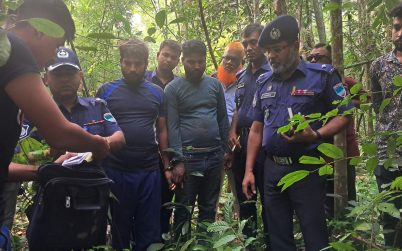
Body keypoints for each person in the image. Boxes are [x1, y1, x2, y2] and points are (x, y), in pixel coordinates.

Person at [242, 15, 353, 250]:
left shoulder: (322, 75)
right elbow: (256, 128)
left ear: (295, 45)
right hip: (271, 169)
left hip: (307, 168)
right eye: (268, 50)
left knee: (314, 234)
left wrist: (317, 134)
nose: (271, 56)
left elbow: (345, 113)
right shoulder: (263, 82)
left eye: (277, 49)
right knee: (278, 236)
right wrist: (249, 170)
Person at [0, 0, 110, 226]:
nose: (53, 57)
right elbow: (60, 133)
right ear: (39, 29)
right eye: (57, 45)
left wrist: (46, 170)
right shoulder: (15, 48)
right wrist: (98, 144)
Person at [96, 39, 169, 250]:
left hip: (148, 170)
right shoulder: (106, 91)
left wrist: (167, 164)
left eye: (138, 63)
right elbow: (98, 128)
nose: (133, 69)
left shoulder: (157, 93)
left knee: (149, 227)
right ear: (120, 62)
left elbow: (162, 130)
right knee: (119, 227)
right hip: (115, 169)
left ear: (147, 64)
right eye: (128, 63)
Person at [164, 40, 230, 238]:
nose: (196, 66)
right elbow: (172, 127)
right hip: (188, 159)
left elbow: (222, 119)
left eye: (200, 62)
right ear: (183, 61)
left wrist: (225, 150)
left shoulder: (215, 85)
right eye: (191, 62)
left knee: (208, 208)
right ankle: (181, 244)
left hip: (213, 156)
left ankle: (205, 244)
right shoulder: (173, 89)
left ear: (205, 61)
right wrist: (178, 160)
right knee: (184, 209)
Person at [228, 23, 271, 238]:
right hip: (241, 143)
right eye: (245, 44)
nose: (249, 47)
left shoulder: (273, 73)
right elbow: (238, 107)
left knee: (269, 197)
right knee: (244, 198)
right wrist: (232, 131)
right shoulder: (241, 76)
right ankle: (250, 240)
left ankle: (272, 239)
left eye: (254, 42)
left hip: (265, 143)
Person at [308, 43, 361, 213]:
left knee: (347, 196)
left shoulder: (345, 81)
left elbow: (367, 100)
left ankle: (348, 229)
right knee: (322, 198)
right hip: (318, 150)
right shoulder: (310, 84)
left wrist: (344, 102)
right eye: (311, 58)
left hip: (344, 149)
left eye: (319, 57)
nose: (314, 60)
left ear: (332, 59)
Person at [370, 4, 402, 248]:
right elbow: (378, 105)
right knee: (390, 215)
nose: (399, 33)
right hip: (388, 155)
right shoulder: (379, 65)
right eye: (396, 28)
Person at [144, 39, 181, 237]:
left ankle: (163, 237)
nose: (168, 60)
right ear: (157, 55)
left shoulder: (179, 85)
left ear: (177, 61)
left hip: (170, 149)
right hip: (146, 150)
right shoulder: (142, 79)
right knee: (147, 197)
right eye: (165, 55)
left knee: (168, 195)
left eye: (173, 57)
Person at [211, 41, 245, 216]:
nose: (229, 62)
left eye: (234, 59)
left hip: (236, 143)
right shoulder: (211, 80)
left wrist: (230, 148)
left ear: (242, 63)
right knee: (212, 192)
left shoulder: (244, 83)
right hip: (213, 145)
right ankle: (211, 233)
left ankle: (241, 233)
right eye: (227, 58)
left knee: (238, 190)